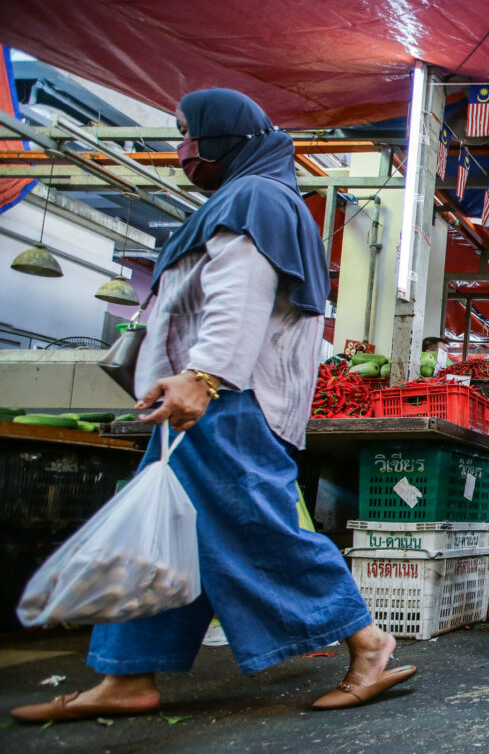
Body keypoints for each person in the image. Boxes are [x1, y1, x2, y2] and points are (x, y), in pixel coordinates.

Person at [11, 89, 410, 724]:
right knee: (165, 540)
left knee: (258, 530)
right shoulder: (250, 198)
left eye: (189, 135)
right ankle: (126, 675)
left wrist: (203, 374)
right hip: (206, 400)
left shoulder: (256, 200)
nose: (182, 150)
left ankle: (368, 642)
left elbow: (239, 294)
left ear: (226, 137)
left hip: (228, 400)